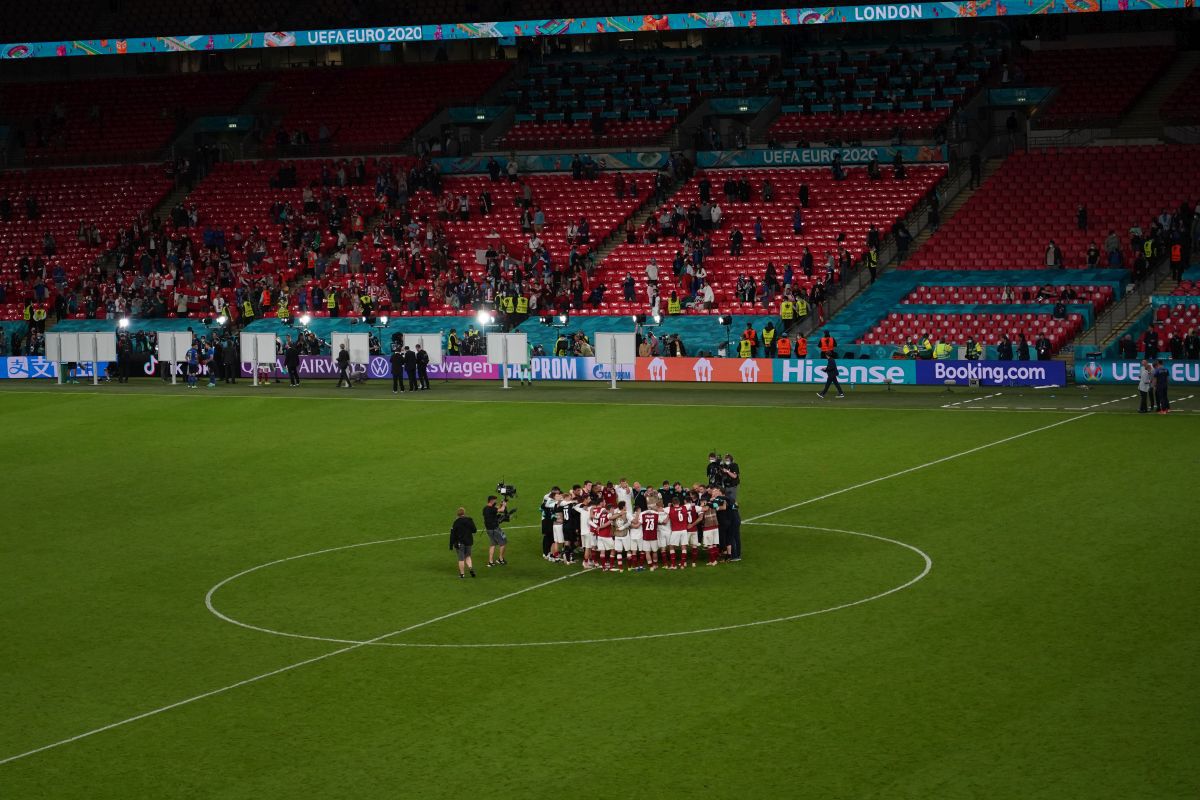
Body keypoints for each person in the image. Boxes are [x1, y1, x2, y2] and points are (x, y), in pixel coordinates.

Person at [449, 507, 477, 578]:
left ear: (457, 514)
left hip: (460, 543)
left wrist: (451, 545)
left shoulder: (456, 522)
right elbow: (474, 530)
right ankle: (470, 568)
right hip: (469, 541)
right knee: (468, 556)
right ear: (464, 513)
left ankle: (462, 574)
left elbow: (453, 534)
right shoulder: (469, 520)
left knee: (461, 558)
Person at [482, 495, 508, 567]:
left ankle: (490, 561)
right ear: (491, 501)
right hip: (495, 529)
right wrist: (504, 505)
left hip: (489, 529)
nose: (496, 502)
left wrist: (501, 504)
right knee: (503, 542)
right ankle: (500, 559)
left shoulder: (485, 508)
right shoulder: (492, 509)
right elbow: (502, 510)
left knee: (493, 544)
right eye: (495, 500)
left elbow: (496, 509)